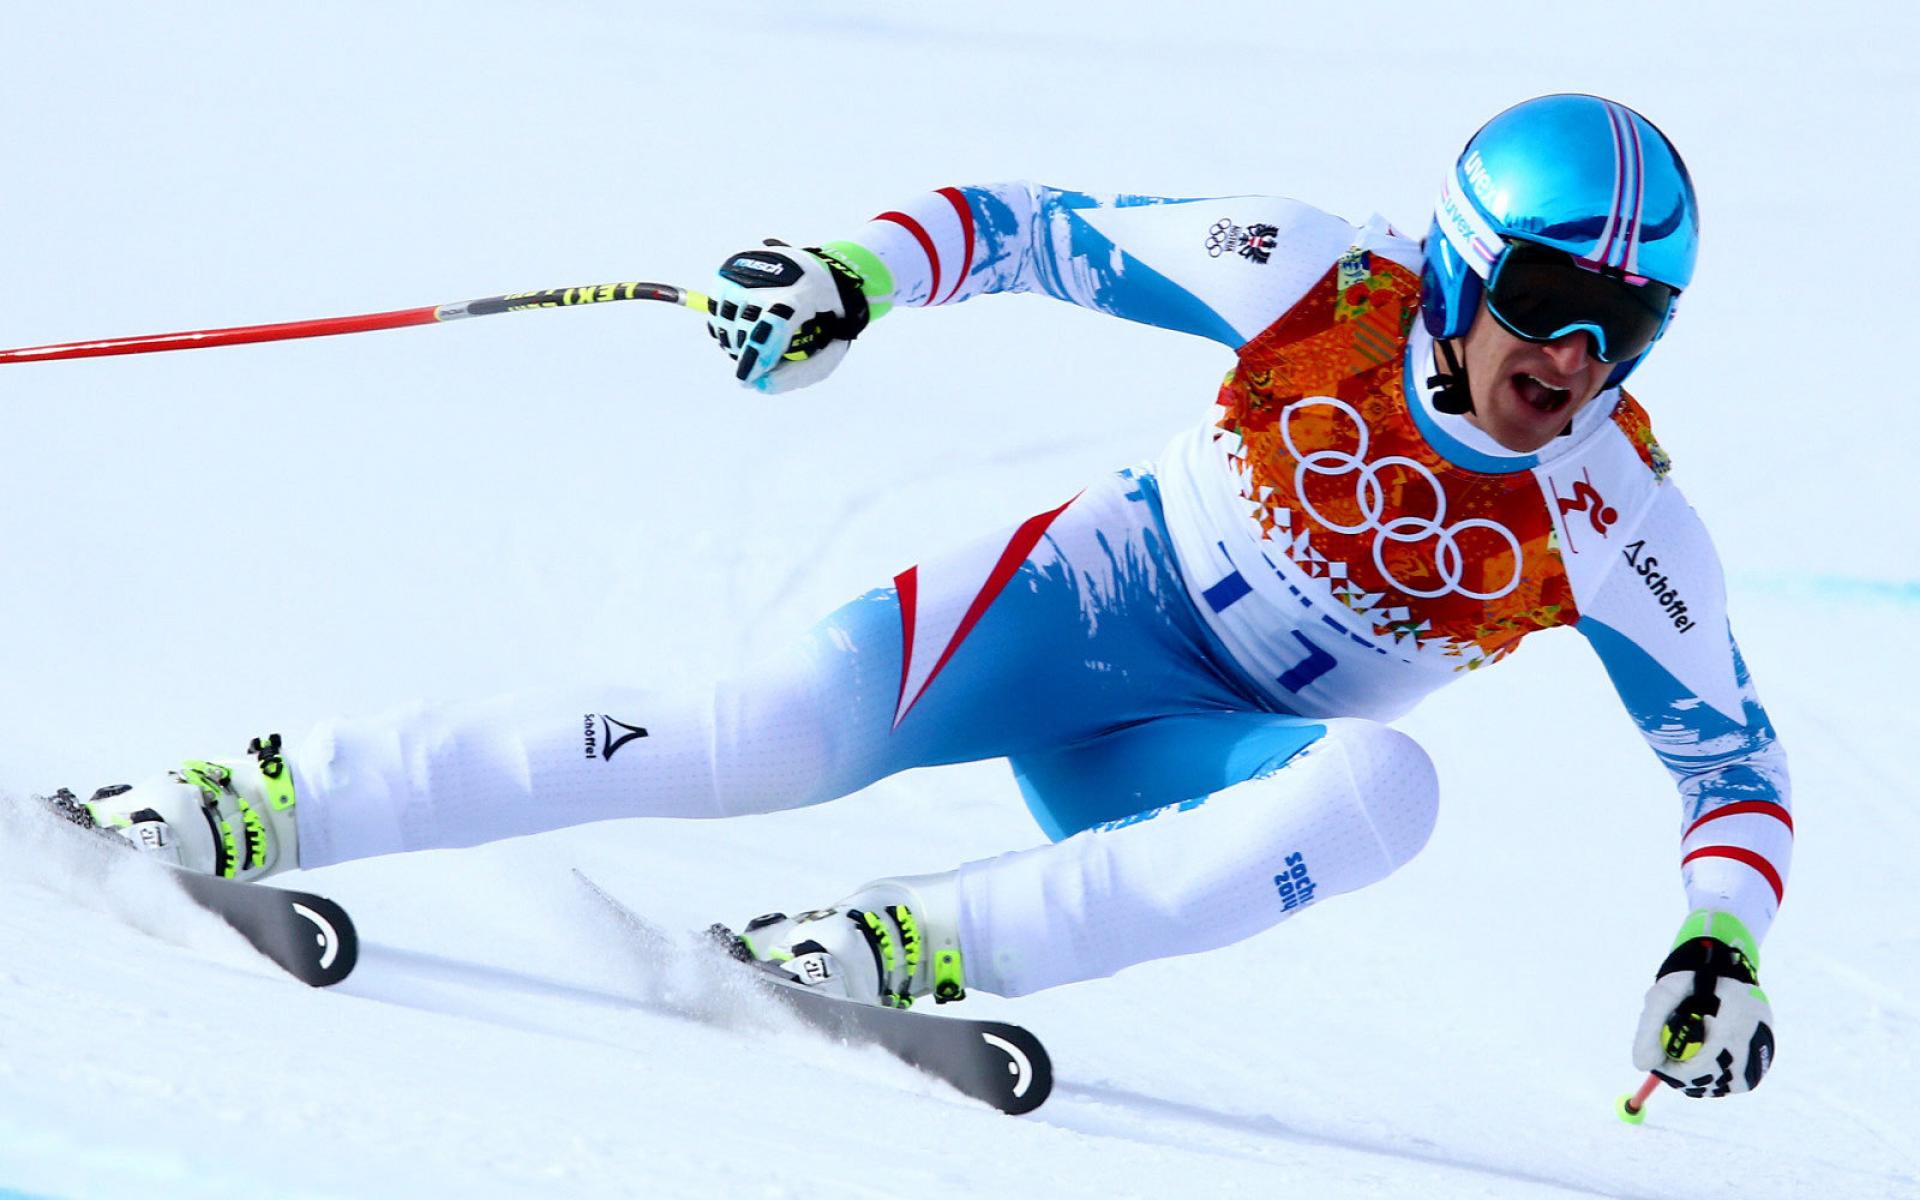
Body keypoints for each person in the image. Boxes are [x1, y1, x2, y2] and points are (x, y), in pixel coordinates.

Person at [72, 93, 1788, 1100]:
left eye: (1627, 324)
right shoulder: (1320, 280)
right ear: (1466, 262)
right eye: (1549, 298)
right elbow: (1029, 224)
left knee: (1386, 794)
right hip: (1084, 601)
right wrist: (852, 276)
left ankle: (903, 947)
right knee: (759, 740)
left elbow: (1733, 767)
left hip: (1203, 760)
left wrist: (1721, 946)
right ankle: (255, 798)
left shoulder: (1619, 517)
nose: (1577, 357)